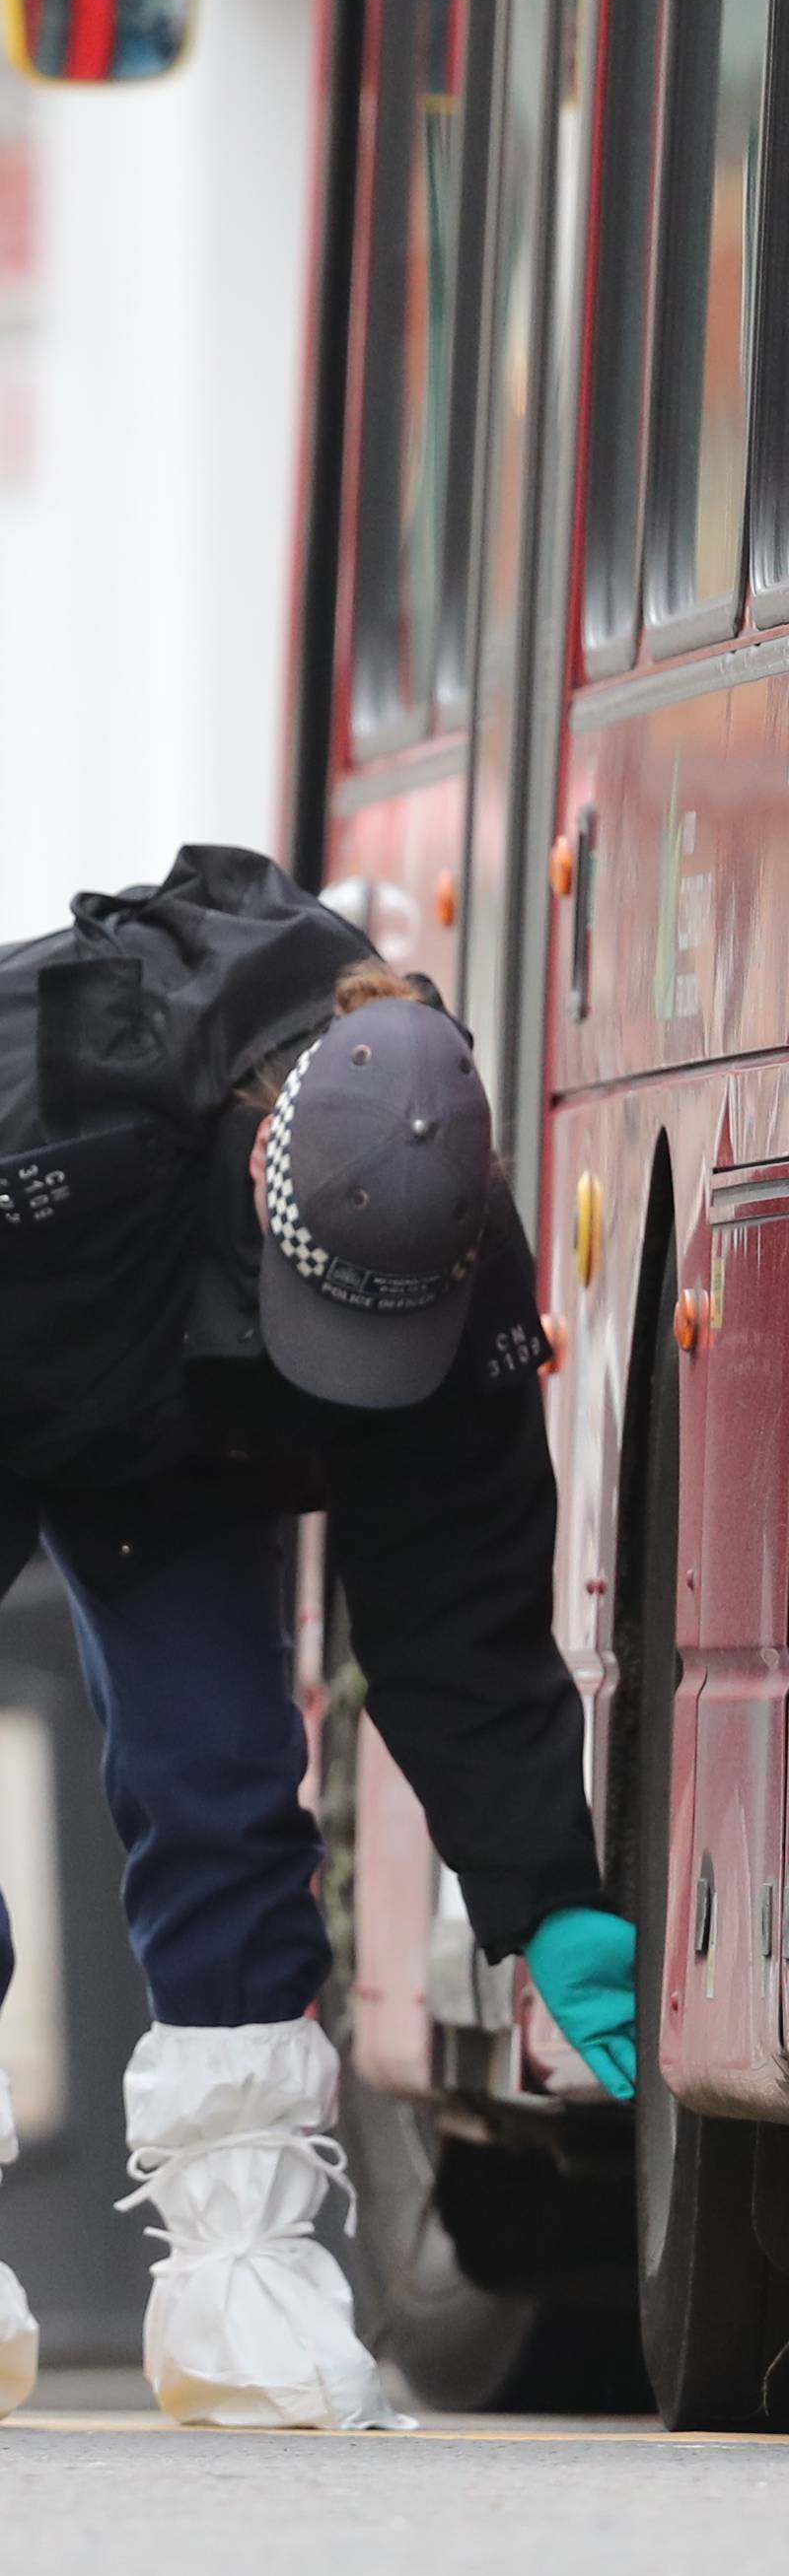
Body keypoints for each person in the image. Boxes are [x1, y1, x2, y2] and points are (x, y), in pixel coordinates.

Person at [0, 846, 638, 2429]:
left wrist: (542, 1891)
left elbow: (455, 1592)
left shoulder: (456, 1231)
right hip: (37, 1332)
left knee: (224, 1784)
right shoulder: (56, 1112)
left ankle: (243, 2284)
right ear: (257, 1176)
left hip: (185, 1424)